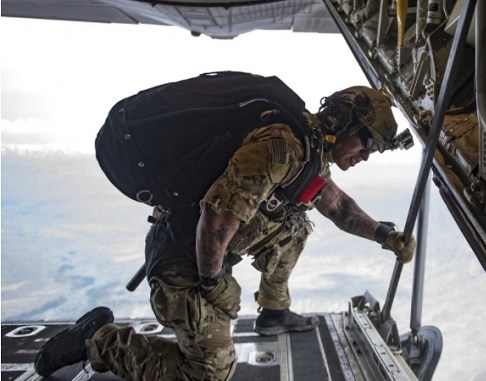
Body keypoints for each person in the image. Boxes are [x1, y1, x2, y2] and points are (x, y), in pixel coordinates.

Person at [34, 72, 416, 380]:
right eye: (366, 142)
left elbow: (338, 206)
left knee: (295, 224)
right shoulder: (283, 146)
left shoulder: (309, 155)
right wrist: (215, 284)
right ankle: (97, 342)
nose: (366, 155)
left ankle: (273, 310)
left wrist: (385, 235)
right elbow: (217, 216)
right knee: (210, 375)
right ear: (344, 122)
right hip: (182, 264)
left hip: (208, 254)